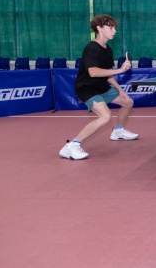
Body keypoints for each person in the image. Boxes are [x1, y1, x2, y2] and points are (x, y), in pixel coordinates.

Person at [59, 14, 139, 161]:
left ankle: (118, 131)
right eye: (110, 27)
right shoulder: (91, 48)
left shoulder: (107, 49)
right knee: (105, 116)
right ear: (99, 28)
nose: (114, 31)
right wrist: (120, 70)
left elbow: (107, 73)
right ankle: (72, 146)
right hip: (87, 89)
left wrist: (120, 90)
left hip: (102, 87)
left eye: (114, 28)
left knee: (128, 102)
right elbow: (93, 72)